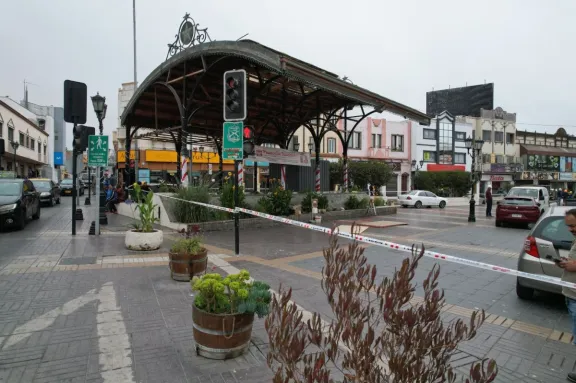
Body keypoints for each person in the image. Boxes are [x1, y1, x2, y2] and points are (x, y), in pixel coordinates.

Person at [558, 209, 576, 383]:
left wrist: (574, 266)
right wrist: (567, 263)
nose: (570, 229)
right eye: (568, 226)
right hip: (571, 293)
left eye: (572, 225)